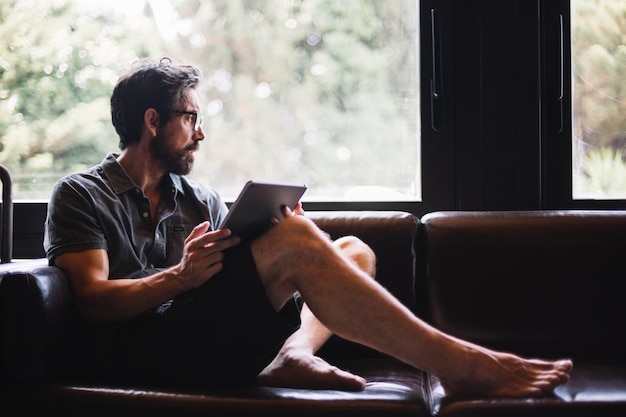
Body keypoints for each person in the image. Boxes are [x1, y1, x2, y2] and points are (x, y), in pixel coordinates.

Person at [44, 57, 572, 396]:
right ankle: (461, 362)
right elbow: (92, 301)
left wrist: (278, 238)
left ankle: (291, 353)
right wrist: (180, 277)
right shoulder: (80, 194)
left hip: (206, 332)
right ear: (153, 122)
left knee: (352, 249)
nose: (201, 134)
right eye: (191, 118)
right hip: (143, 349)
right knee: (298, 243)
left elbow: (233, 278)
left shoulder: (199, 198)